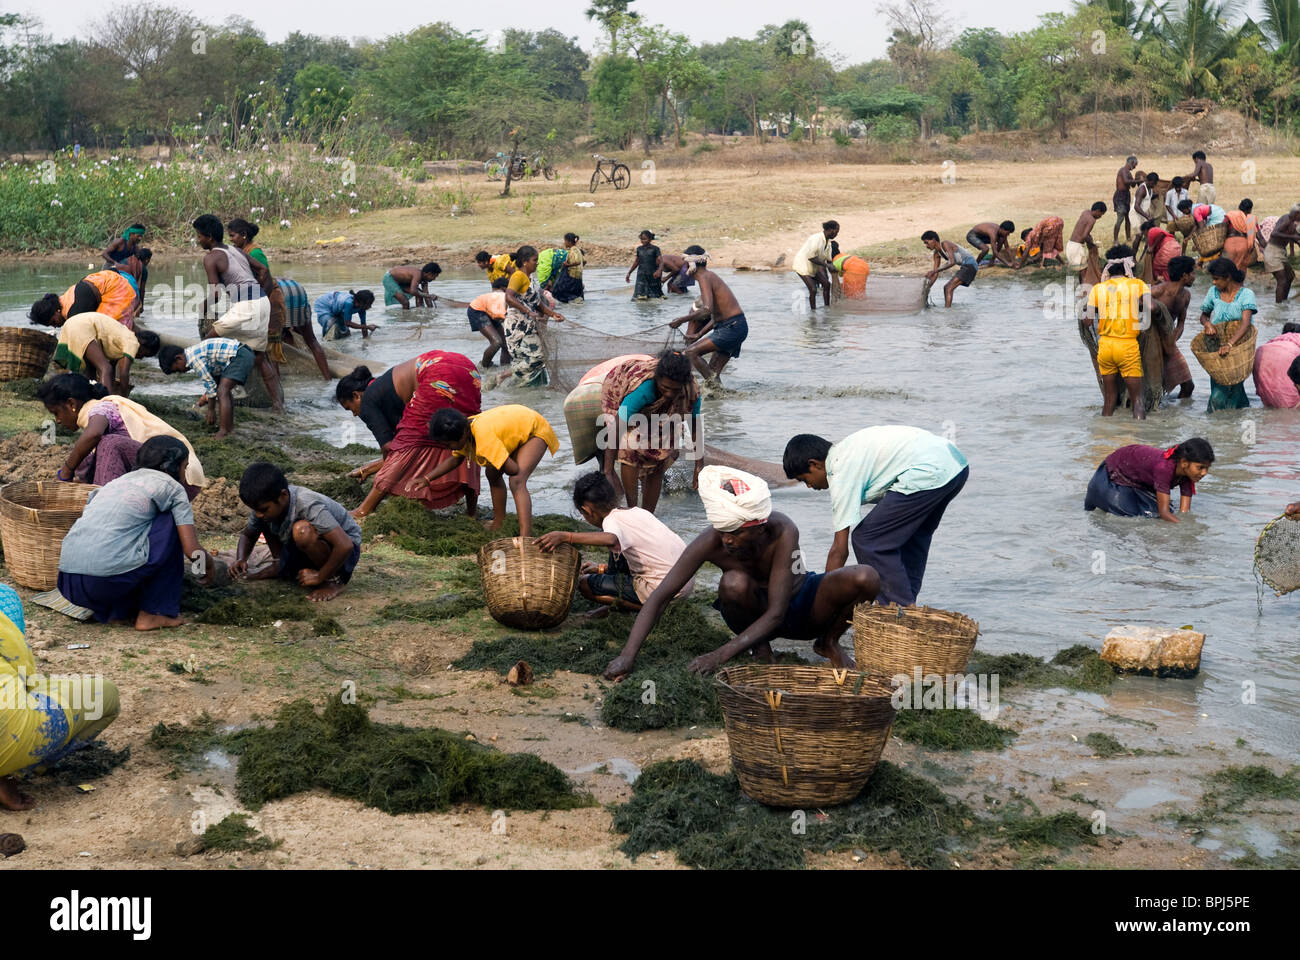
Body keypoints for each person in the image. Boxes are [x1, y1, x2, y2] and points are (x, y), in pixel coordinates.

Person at [602, 465, 880, 679]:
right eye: (723, 533)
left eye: (735, 534)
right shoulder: (711, 540)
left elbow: (777, 613)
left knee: (865, 577)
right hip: (751, 612)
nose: (727, 541)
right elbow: (661, 595)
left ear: (759, 528)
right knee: (732, 583)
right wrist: (628, 656)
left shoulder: (783, 531)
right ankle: (760, 647)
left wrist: (718, 656)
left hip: (799, 607)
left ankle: (828, 642)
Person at [783, 427, 968, 608]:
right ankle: (908, 608)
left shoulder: (840, 471)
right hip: (955, 467)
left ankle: (898, 610)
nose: (809, 486)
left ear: (815, 464)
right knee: (911, 538)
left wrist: (826, 599)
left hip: (930, 472)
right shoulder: (848, 449)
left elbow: (839, 550)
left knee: (868, 539)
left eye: (805, 479)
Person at [57, 437, 214, 629]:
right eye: (184, 467)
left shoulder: (113, 484)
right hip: (105, 580)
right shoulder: (172, 488)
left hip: (68, 581)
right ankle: (154, 613)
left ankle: (117, 613)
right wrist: (208, 564)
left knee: (122, 536)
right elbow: (192, 551)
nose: (184, 475)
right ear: (170, 467)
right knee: (171, 521)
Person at [0, 584, 121, 811]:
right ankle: (10, 774)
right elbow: (25, 678)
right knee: (106, 696)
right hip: (9, 738)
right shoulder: (3, 600)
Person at [340, 351, 483, 520]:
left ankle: (363, 510)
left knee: (408, 442)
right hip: (467, 368)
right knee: (464, 437)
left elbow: (393, 449)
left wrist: (374, 472)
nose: (355, 414)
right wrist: (367, 469)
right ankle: (472, 513)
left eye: (350, 408)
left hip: (437, 374)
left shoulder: (367, 401)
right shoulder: (384, 389)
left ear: (356, 395)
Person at [536, 471, 694, 616]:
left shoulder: (612, 521)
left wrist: (566, 536)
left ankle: (648, 609)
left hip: (662, 591)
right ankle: (624, 603)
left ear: (587, 510)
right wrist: (601, 568)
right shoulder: (637, 512)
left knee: (585, 584)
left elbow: (610, 539)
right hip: (683, 584)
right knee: (618, 550)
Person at [37, 373, 206, 492]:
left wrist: (66, 469)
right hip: (162, 476)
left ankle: (107, 509)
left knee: (109, 443)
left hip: (179, 475)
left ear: (71, 404)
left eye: (56, 412)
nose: (57, 421)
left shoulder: (102, 408)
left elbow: (93, 434)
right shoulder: (95, 419)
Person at [233, 462, 363, 602]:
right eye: (255, 510)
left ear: (283, 495)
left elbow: (345, 545)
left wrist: (320, 576)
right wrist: (241, 558)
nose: (258, 514)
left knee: (302, 531)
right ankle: (279, 564)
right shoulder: (264, 508)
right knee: (266, 520)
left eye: (263, 509)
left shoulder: (307, 503)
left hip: (343, 552)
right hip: (302, 548)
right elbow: (248, 534)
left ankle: (333, 581)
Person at [422, 404, 559, 537]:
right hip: (515, 428)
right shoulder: (465, 429)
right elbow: (455, 460)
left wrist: (501, 456)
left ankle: (525, 538)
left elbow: (513, 469)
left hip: (533, 430)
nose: (448, 448)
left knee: (517, 481)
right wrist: (427, 479)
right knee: (492, 474)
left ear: (463, 434)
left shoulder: (484, 439)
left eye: (448, 444)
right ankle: (499, 522)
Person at [193, 214, 283, 411]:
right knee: (259, 358)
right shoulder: (235, 249)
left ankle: (209, 397)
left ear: (208, 236)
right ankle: (278, 404)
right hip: (261, 303)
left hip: (247, 306)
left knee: (207, 344)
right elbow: (263, 271)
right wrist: (262, 294)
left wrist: (203, 306)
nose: (198, 240)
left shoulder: (210, 258)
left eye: (199, 236)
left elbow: (216, 295)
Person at [600, 350, 702, 513]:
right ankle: (632, 508)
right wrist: (608, 471)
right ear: (657, 379)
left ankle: (648, 515)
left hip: (666, 418)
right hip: (632, 413)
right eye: (665, 388)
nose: (669, 394)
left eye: (675, 390)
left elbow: (695, 425)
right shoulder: (644, 389)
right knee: (630, 448)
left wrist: (699, 465)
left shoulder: (691, 391)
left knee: (659, 457)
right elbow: (617, 427)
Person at [1084, 244, 1149, 419]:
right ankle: (1138, 440)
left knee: (1109, 400)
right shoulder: (1137, 284)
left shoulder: (1097, 288)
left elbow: (1088, 320)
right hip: (1127, 345)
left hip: (1105, 347)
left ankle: (1104, 439)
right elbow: (1151, 307)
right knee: (1138, 401)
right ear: (1129, 265)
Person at [1084, 439, 1214, 522]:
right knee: (1134, 518)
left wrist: (1187, 525)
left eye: (1207, 468)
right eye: (1200, 467)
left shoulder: (1186, 475)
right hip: (1114, 473)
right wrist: (1184, 529)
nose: (1204, 473)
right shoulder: (1164, 468)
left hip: (1140, 480)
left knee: (1156, 513)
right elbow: (1164, 513)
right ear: (1184, 462)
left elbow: (1184, 511)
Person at [667, 253, 748, 381]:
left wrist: (682, 320)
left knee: (690, 352)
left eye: (686, 266)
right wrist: (699, 334)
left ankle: (715, 389)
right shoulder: (709, 276)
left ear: (692, 266)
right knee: (713, 372)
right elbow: (716, 316)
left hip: (732, 327)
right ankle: (716, 396)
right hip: (736, 326)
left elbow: (706, 310)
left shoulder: (704, 277)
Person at [157, 338, 255, 439]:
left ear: (179, 358)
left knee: (222, 391)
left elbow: (210, 385)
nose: (180, 372)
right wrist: (207, 397)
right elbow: (214, 378)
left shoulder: (194, 359)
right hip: (241, 352)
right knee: (224, 391)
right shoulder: (193, 352)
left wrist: (211, 410)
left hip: (239, 356)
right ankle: (229, 428)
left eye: (177, 369)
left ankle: (223, 431)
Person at [46, 312, 158, 395]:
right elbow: (124, 374)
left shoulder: (121, 341)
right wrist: (123, 397)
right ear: (143, 344)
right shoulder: (133, 342)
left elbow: (113, 369)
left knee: (91, 369)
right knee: (105, 368)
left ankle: (88, 397)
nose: (141, 358)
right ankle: (105, 405)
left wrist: (110, 385)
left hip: (73, 323)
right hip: (82, 326)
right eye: (144, 354)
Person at [226, 218, 288, 365]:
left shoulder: (255, 253)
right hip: (256, 299)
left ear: (243, 235)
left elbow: (265, 277)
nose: (231, 240)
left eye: (232, 236)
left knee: (270, 349)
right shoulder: (242, 251)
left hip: (269, 299)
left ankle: (273, 381)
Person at [502, 245, 566, 387]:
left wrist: (554, 314)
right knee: (538, 356)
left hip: (528, 324)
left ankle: (523, 392)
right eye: (534, 260)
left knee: (526, 360)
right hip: (517, 325)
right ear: (525, 261)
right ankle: (503, 375)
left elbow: (538, 304)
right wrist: (527, 311)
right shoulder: (518, 276)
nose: (537, 263)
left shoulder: (530, 278)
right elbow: (508, 297)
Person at [1198, 257, 1256, 412]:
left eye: (1216, 279)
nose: (1213, 282)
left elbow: (1245, 323)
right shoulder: (1213, 292)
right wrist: (1208, 324)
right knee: (1218, 384)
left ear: (1228, 277)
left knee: (1233, 387)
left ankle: (1223, 421)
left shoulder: (1246, 294)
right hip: (1217, 347)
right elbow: (1204, 316)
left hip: (1238, 348)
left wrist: (1230, 344)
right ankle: (1230, 421)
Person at [28, 269, 141, 330]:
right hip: (107, 278)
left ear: (56, 311)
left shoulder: (74, 313)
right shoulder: (64, 300)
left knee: (112, 333)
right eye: (51, 325)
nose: (56, 326)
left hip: (117, 290)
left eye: (53, 322)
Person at [1150, 255, 1197, 399]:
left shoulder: (1185, 296)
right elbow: (1136, 301)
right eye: (1192, 273)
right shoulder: (1159, 290)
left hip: (1169, 341)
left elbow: (1181, 323)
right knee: (1152, 387)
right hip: (1150, 341)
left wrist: (1173, 340)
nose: (1194, 277)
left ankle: (1175, 416)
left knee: (1188, 386)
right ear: (1184, 275)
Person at [276, 278, 332, 380]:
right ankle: (328, 379)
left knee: (272, 343)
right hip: (297, 289)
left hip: (277, 292)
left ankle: (277, 382)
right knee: (312, 341)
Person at [465, 278, 524, 368]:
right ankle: (484, 367)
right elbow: (499, 315)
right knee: (496, 342)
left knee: (506, 344)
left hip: (489, 312)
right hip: (477, 310)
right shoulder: (501, 297)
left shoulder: (504, 296)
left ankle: (505, 367)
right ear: (505, 289)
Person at [922, 230, 979, 307]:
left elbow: (952, 262)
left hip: (970, 265)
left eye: (926, 242)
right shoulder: (936, 254)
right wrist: (927, 288)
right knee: (947, 288)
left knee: (948, 288)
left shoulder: (945, 244)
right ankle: (948, 311)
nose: (926, 246)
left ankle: (947, 313)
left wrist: (934, 271)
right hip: (965, 267)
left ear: (934, 240)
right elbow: (935, 274)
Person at [1252, 322, 1300, 409]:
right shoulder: (1296, 340)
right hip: (1287, 356)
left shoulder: (1277, 339)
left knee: (1271, 393)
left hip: (1261, 352)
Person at [793, 220, 839, 309]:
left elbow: (829, 261)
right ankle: (813, 312)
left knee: (826, 284)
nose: (837, 234)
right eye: (836, 231)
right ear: (830, 230)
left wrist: (834, 268)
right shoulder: (816, 238)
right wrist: (827, 266)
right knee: (813, 290)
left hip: (813, 266)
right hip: (802, 265)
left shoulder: (828, 243)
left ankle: (827, 308)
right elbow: (811, 257)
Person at [1262, 204, 1300, 302]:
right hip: (1272, 251)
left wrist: (1296, 239)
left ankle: (1284, 301)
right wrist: (1293, 237)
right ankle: (1278, 307)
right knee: (1282, 280)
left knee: (1290, 276)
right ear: (1297, 213)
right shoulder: (1286, 219)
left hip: (1280, 252)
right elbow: (1274, 233)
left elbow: (1296, 238)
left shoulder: (1293, 223)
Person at [1067, 204, 1108, 281]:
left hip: (1070, 244)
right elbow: (1084, 236)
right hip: (1077, 247)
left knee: (1081, 270)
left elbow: (1084, 230)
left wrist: (1090, 238)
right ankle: (1085, 290)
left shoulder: (1085, 212)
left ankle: (1082, 288)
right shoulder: (1092, 220)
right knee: (1084, 273)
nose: (1100, 216)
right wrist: (1092, 245)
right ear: (1098, 211)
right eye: (1101, 214)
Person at [626, 230, 664, 301]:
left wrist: (659, 271)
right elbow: (637, 261)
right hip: (641, 275)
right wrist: (629, 272)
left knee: (654, 298)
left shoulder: (655, 249)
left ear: (650, 239)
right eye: (641, 239)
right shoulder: (639, 249)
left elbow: (661, 261)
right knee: (639, 297)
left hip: (653, 275)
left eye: (645, 239)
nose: (643, 241)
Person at [1223, 200, 1258, 272]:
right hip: (1243, 245)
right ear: (1250, 209)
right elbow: (1258, 234)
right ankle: (1239, 282)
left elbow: (1223, 227)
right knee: (1241, 267)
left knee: (1228, 266)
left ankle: (1228, 281)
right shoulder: (1251, 219)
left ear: (1239, 206)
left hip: (1229, 244)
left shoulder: (1230, 215)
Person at [550, 233, 586, 303]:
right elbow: (584, 261)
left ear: (569, 242)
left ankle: (573, 300)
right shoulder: (578, 250)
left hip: (571, 277)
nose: (564, 243)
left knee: (559, 290)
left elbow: (577, 261)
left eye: (565, 241)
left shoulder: (573, 250)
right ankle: (576, 300)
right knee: (576, 292)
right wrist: (580, 269)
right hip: (578, 277)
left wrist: (568, 265)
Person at [1113, 156, 1139, 243]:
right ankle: (1115, 239)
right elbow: (1126, 182)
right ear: (1131, 163)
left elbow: (1132, 185)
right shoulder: (1123, 171)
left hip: (1126, 196)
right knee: (1120, 218)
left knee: (1128, 218)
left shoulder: (1128, 172)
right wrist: (1138, 181)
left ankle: (1128, 237)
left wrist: (1136, 179)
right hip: (1120, 196)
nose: (1135, 167)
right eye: (1135, 165)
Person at [1130, 172, 1161, 236]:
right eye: (1153, 183)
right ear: (1148, 181)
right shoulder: (1142, 189)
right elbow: (1136, 206)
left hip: (1142, 214)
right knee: (1139, 235)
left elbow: (1147, 198)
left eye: (1155, 184)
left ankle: (1148, 246)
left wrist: (1156, 195)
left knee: (1149, 233)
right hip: (1135, 214)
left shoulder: (1150, 188)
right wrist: (1147, 216)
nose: (1154, 185)